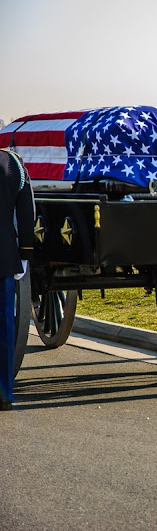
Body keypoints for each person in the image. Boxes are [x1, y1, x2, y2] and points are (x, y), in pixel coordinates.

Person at [0, 149, 35, 410]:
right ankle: (3, 392)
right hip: (4, 257)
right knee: (3, 326)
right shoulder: (12, 162)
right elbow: (26, 211)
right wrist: (25, 252)